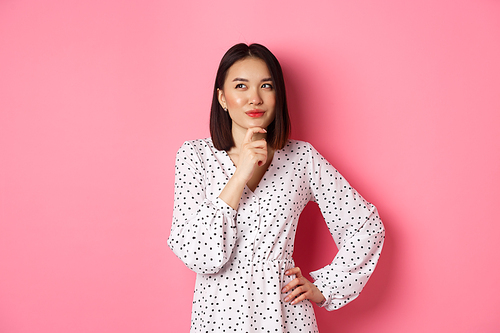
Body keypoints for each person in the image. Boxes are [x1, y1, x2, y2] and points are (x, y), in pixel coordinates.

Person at [167, 43, 385, 332]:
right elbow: (201, 256)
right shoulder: (195, 157)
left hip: (286, 317)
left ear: (277, 95)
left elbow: (365, 226)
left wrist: (327, 286)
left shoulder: (301, 158)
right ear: (222, 97)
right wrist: (240, 174)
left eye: (266, 86)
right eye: (241, 86)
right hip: (219, 318)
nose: (254, 98)